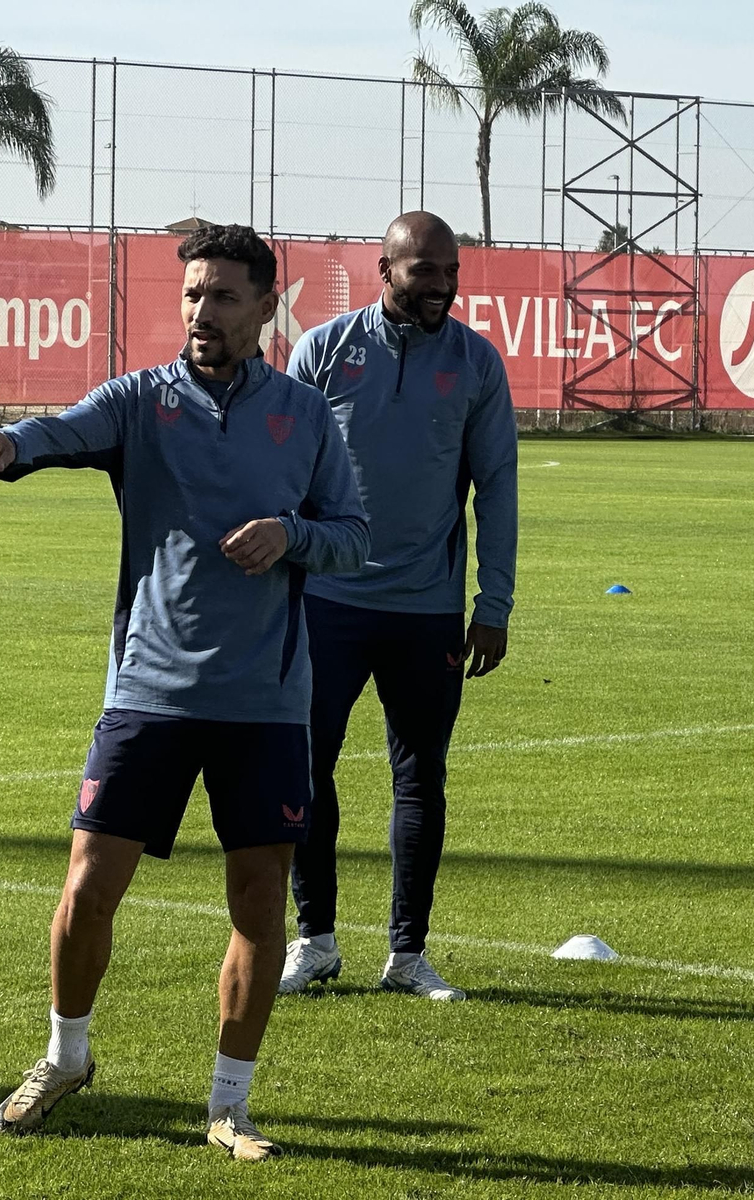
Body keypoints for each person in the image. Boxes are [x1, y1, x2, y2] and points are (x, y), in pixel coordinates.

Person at [0, 224, 369, 1160]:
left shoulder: (305, 418)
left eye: (224, 297)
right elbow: (58, 432)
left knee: (260, 905)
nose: (202, 313)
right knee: (85, 890)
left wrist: (289, 535)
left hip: (263, 703)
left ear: (268, 307)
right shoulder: (142, 402)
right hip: (147, 690)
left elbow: (352, 534)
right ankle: (65, 1058)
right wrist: (5, 444)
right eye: (192, 295)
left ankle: (230, 1105)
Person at [278, 211, 517, 1003]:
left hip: (426, 609)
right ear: (386, 270)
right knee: (305, 769)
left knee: (421, 778)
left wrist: (494, 601)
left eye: (450, 271)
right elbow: (283, 467)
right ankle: (314, 940)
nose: (442, 286)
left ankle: (408, 954)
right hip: (325, 599)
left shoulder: (476, 362)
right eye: (425, 272)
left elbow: (498, 488)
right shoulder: (326, 350)